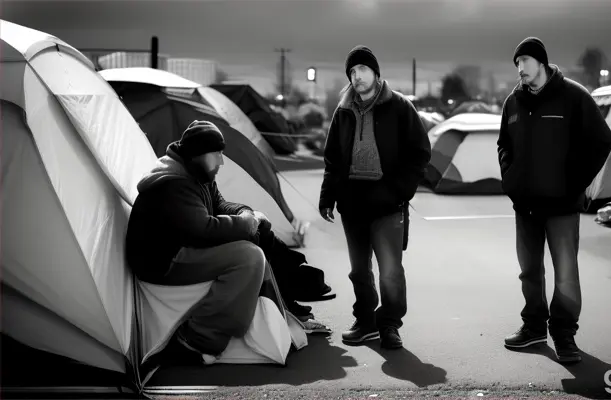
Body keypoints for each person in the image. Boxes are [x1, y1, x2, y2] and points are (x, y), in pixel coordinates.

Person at [126, 120, 326, 365]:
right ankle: (197, 339)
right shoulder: (174, 183)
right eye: (218, 154)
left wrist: (247, 214)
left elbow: (220, 205)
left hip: (180, 248)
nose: (221, 161)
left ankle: (288, 301)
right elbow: (203, 229)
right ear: (200, 153)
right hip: (161, 260)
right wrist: (247, 224)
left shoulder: (196, 170)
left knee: (256, 236)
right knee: (248, 257)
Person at [497, 37, 611, 363]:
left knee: (565, 273)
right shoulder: (514, 102)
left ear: (541, 62)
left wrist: (575, 182)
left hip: (562, 206)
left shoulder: (573, 96)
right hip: (526, 206)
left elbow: (603, 139)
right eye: (516, 63)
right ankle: (533, 328)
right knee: (529, 271)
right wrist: (511, 179)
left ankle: (564, 337)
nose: (519, 68)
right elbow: (504, 143)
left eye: (524, 61)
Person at [319, 45, 431, 349]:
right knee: (359, 271)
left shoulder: (399, 106)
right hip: (352, 204)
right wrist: (328, 196)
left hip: (388, 204)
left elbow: (420, 153)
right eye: (352, 72)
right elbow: (332, 158)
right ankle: (366, 321)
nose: (357, 76)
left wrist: (399, 191)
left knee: (390, 271)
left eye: (362, 70)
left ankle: (390, 324)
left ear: (375, 72)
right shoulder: (343, 110)